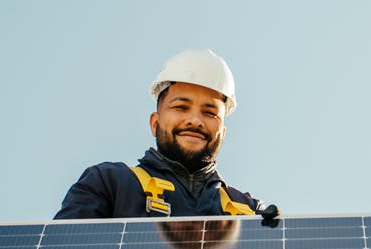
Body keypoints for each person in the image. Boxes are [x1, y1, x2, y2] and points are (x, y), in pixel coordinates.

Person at [54, 49, 277, 220]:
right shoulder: (109, 184)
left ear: (223, 132)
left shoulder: (250, 212)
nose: (195, 121)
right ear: (155, 123)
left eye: (209, 112)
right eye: (181, 107)